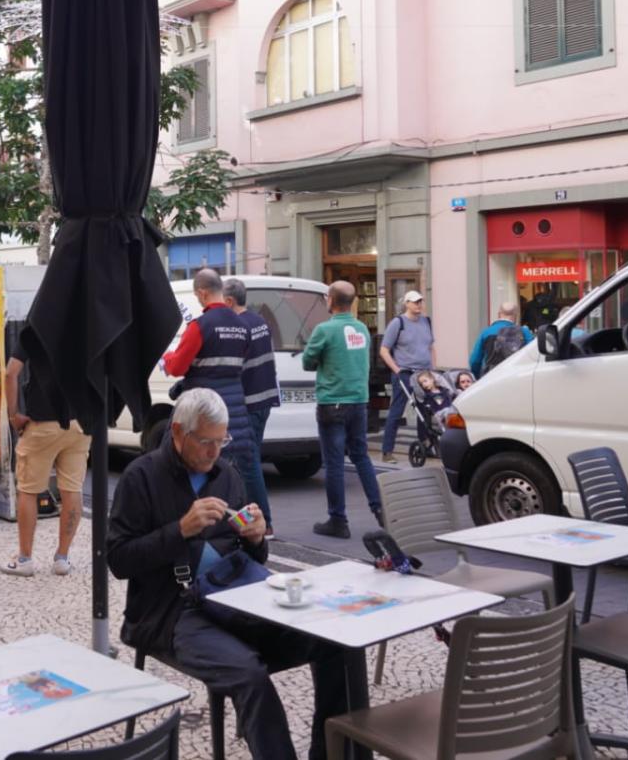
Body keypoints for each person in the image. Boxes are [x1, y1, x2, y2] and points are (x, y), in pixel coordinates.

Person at [108, 388, 348, 760]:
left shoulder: (226, 474)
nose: (214, 451)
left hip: (232, 597)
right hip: (170, 611)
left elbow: (250, 554)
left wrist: (255, 538)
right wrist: (180, 530)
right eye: (206, 441)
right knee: (249, 675)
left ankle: (333, 754)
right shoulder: (142, 477)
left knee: (335, 643)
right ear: (177, 432)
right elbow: (119, 560)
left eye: (222, 440)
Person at [161, 268, 257, 514]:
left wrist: (168, 356)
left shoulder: (200, 326)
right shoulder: (243, 325)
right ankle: (233, 526)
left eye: (196, 296)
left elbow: (178, 366)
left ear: (203, 293)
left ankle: (196, 519)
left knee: (190, 466)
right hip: (235, 411)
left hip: (203, 411)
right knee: (231, 477)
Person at [301, 281, 384, 539]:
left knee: (334, 463)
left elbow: (307, 362)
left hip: (332, 402)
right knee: (361, 456)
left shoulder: (324, 330)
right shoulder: (361, 329)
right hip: (359, 401)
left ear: (330, 300)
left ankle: (338, 520)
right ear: (353, 301)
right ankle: (381, 510)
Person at [0, 339, 89, 577]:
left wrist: (13, 415)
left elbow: (10, 372)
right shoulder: (87, 322)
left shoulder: (38, 322)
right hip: (80, 422)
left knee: (28, 490)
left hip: (43, 422)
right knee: (72, 489)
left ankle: (25, 559)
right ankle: (62, 558)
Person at [223, 277, 277, 531]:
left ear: (230, 300)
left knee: (248, 462)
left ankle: (264, 522)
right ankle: (246, 517)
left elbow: (234, 366)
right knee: (244, 461)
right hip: (264, 400)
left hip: (248, 403)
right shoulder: (259, 321)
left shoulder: (238, 325)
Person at [378, 289, 436, 464]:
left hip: (423, 373)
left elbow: (431, 347)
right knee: (397, 411)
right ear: (407, 304)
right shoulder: (398, 323)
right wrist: (396, 369)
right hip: (404, 372)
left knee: (424, 410)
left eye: (420, 301)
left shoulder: (426, 321)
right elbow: (384, 350)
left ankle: (425, 445)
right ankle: (387, 451)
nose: (419, 304)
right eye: (415, 302)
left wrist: (432, 369)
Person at [469, 302, 533, 378]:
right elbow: (533, 356)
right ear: (515, 315)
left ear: (499, 314)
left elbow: (475, 361)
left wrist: (478, 377)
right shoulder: (524, 332)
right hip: (516, 377)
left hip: (490, 378)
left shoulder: (486, 333)